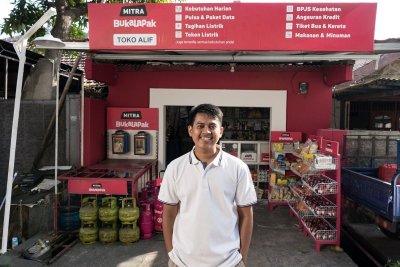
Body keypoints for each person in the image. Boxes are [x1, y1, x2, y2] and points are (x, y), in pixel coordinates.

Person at [158, 103, 257, 267]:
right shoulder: (175, 168)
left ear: (221, 131)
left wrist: (242, 258)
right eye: (200, 126)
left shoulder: (238, 168)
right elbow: (168, 214)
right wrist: (172, 255)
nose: (206, 131)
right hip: (183, 261)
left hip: (228, 261)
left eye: (212, 126)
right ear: (190, 130)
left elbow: (246, 215)